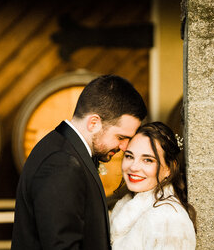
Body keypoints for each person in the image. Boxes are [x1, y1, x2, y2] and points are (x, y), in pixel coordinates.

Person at [11, 75, 147, 250]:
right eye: (121, 137)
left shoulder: (64, 149)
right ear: (93, 123)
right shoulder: (61, 163)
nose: (124, 146)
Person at [110, 122, 197, 249]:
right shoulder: (126, 205)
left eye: (147, 160)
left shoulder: (168, 219)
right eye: (129, 156)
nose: (133, 167)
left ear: (169, 168)